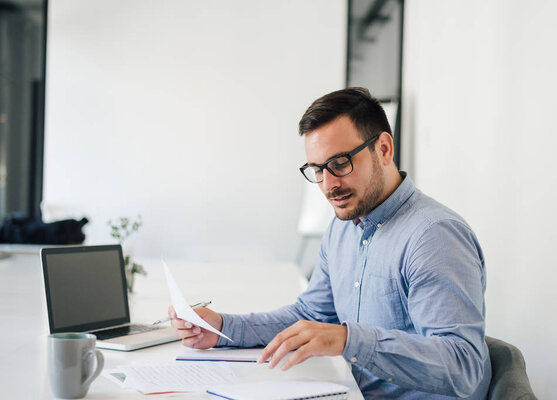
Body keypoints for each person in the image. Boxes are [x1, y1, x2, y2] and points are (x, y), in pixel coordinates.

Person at [169, 88, 492, 399]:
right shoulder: (343, 229)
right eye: (317, 170)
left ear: (383, 149)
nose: (328, 185)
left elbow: (463, 367)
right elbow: (310, 315)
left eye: (340, 164)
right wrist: (225, 328)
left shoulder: (433, 236)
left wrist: (348, 339)